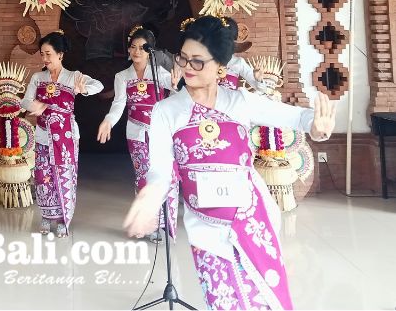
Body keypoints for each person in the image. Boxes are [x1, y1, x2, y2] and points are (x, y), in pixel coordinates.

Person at [123, 15, 336, 310]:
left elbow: (298, 117)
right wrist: (148, 200)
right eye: (183, 58)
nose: (187, 67)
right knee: (223, 300)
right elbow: (159, 168)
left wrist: (317, 127)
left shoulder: (240, 102)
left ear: (220, 67)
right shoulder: (166, 111)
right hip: (205, 227)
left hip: (253, 220)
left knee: (267, 301)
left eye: (198, 61)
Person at [97, 25, 179, 241]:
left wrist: (175, 86)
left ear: (151, 51)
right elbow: (118, 104)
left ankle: (163, 225)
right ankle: (147, 224)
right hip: (136, 134)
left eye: (142, 48)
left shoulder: (162, 75)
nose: (136, 52)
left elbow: (176, 102)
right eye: (133, 47)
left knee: (164, 177)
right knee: (143, 178)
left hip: (160, 135)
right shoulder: (122, 76)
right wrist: (108, 121)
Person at [22, 30, 103, 238]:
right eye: (42, 54)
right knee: (43, 176)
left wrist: (82, 89)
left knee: (63, 175)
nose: (45, 58)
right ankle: (47, 216)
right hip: (42, 134)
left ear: (60, 55)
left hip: (66, 135)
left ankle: (62, 218)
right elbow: (24, 101)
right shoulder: (38, 77)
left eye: (49, 54)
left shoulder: (73, 76)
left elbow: (98, 85)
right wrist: (34, 104)